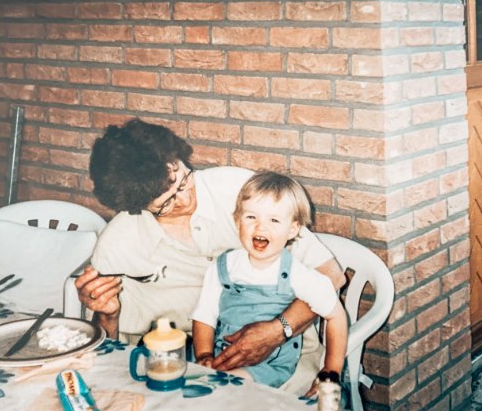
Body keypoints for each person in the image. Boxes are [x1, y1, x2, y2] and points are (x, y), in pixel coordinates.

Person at [74, 118, 346, 394]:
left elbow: (331, 275)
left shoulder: (240, 191)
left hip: (288, 353)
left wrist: (278, 330)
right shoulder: (118, 243)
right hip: (186, 361)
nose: (185, 199)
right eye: (167, 203)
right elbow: (106, 353)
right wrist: (107, 314)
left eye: (183, 181)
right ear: (138, 207)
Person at [191, 171, 348, 388]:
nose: (260, 227)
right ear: (237, 221)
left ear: (292, 229)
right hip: (222, 355)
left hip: (270, 365)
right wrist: (204, 355)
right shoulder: (223, 266)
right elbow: (204, 316)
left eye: (274, 220)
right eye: (251, 217)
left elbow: (336, 315)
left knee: (226, 389)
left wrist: (331, 370)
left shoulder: (298, 274)